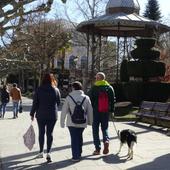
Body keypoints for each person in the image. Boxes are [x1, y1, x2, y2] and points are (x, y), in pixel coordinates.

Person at [30, 73, 61, 163]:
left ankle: (40, 152)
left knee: (41, 133)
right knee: (50, 133)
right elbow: (58, 103)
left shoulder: (39, 90)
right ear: (52, 80)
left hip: (41, 114)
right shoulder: (56, 90)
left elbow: (35, 103)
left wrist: (32, 113)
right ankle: (49, 153)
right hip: (52, 115)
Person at [60, 81, 93, 162]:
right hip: (82, 122)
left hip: (71, 122)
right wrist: (90, 122)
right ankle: (79, 153)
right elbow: (90, 111)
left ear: (73, 88)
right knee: (79, 137)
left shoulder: (69, 97)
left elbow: (64, 111)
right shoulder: (86, 98)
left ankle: (75, 156)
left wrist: (62, 122)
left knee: (74, 138)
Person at [88, 72, 115, 155]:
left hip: (95, 112)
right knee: (105, 128)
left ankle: (97, 149)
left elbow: (89, 100)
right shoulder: (110, 87)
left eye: (96, 77)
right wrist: (112, 111)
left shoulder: (94, 88)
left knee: (95, 130)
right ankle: (106, 140)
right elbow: (113, 100)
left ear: (98, 78)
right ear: (104, 78)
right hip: (105, 111)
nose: (95, 79)